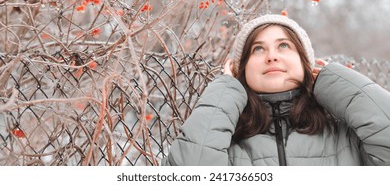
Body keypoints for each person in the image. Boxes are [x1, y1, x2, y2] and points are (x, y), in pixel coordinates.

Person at [162, 14, 390, 166]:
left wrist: (334, 80)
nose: (272, 56)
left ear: (305, 63)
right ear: (240, 69)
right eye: (258, 49)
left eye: (284, 45)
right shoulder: (224, 140)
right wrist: (225, 90)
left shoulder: (346, 137)